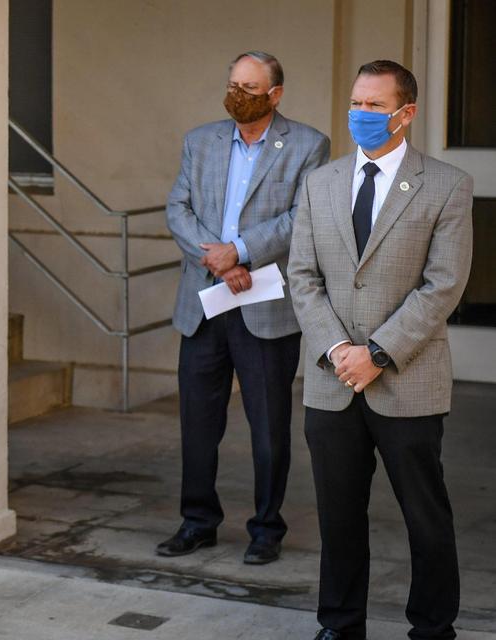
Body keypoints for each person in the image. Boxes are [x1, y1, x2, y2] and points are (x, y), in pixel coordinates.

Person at [288, 60, 472, 640]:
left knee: (426, 517)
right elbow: (302, 276)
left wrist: (379, 353)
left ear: (405, 113)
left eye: (374, 106)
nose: (360, 115)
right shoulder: (320, 182)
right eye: (356, 103)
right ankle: (341, 625)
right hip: (331, 379)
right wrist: (341, 347)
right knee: (339, 518)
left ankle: (433, 629)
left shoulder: (447, 184)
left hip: (407, 380)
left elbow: (442, 285)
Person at [161, 51, 329, 564]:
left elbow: (303, 216)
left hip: (266, 304)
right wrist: (219, 259)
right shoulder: (200, 140)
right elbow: (178, 208)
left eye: (250, 87)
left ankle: (266, 529)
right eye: (233, 83)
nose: (238, 93)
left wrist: (242, 251)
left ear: (275, 94)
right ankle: (197, 522)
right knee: (198, 422)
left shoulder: (308, 144)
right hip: (205, 300)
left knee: (269, 426)